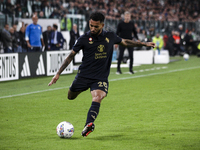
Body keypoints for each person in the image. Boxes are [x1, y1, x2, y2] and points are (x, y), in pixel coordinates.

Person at [48, 12, 155, 137]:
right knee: (70, 96)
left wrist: (144, 43)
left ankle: (88, 125)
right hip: (83, 76)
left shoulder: (110, 36)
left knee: (97, 97)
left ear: (102, 25)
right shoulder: (83, 39)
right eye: (91, 25)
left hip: (100, 77)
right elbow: (71, 56)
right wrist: (58, 74)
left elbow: (125, 42)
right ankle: (76, 87)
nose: (92, 29)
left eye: (96, 26)